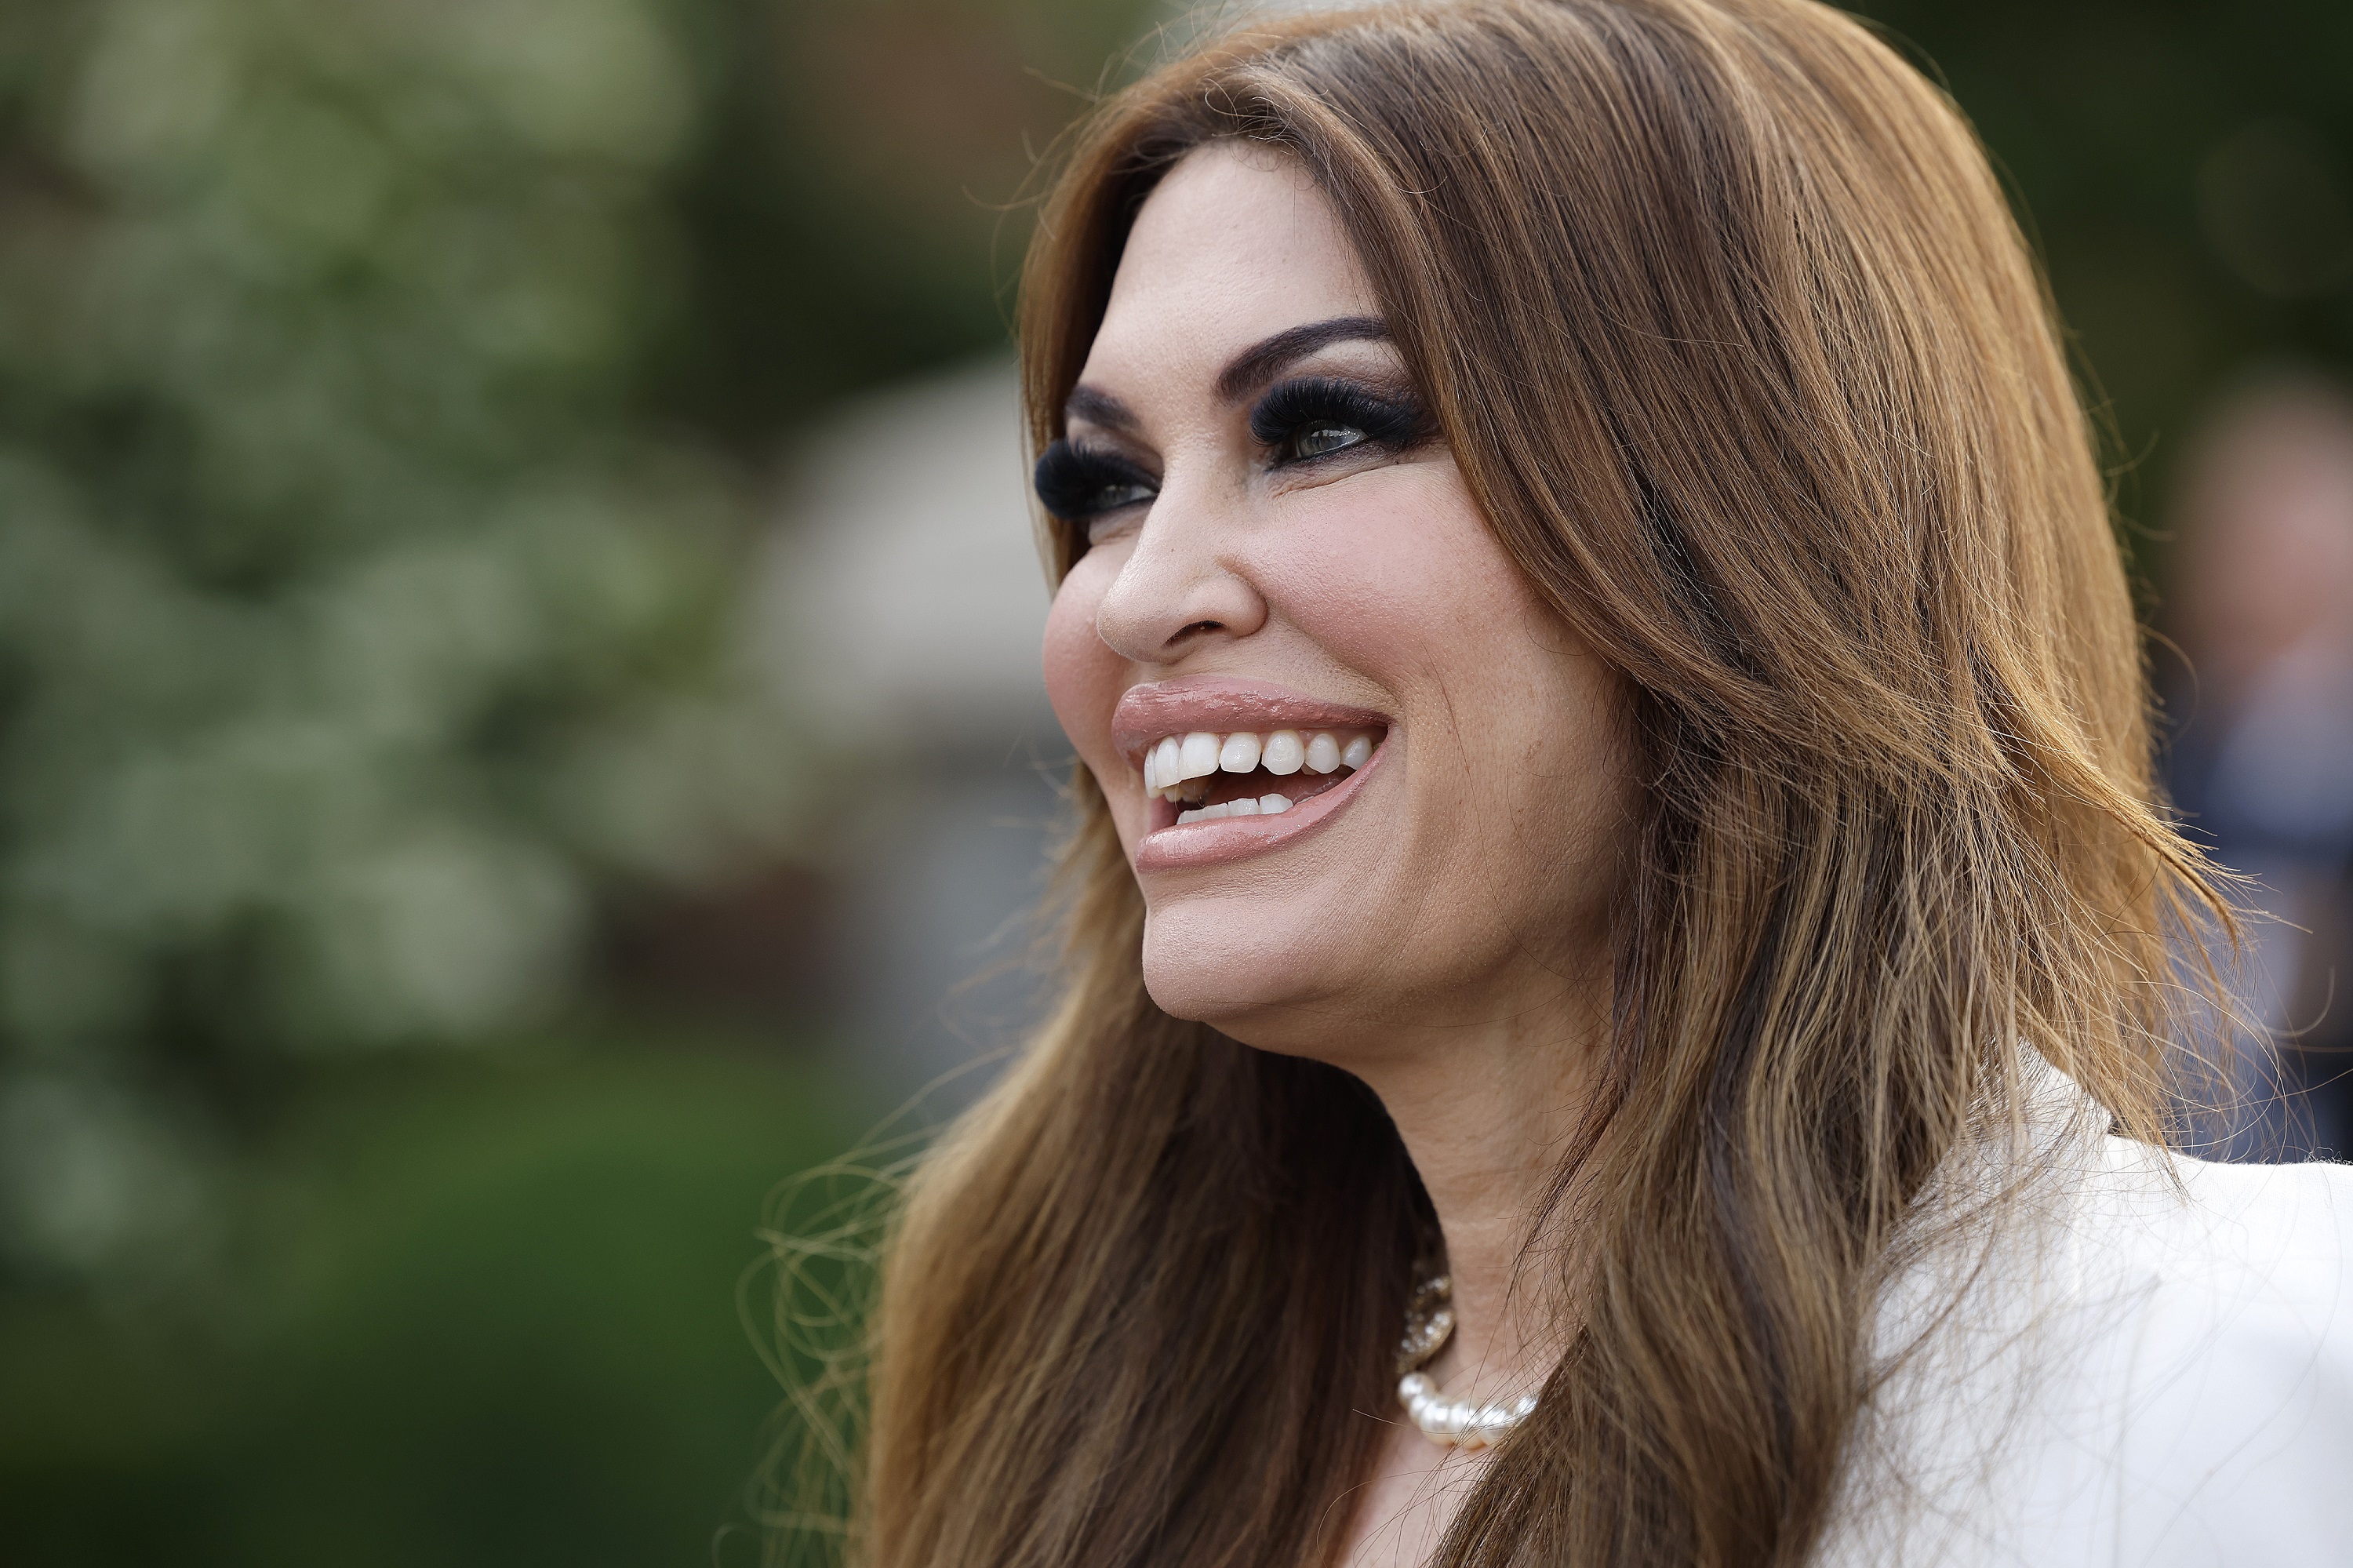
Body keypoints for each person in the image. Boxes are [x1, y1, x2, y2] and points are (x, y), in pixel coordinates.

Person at [852, 3, 2353, 1564]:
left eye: (1324, 426)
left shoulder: (2240, 1382)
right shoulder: (1072, 1415)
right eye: (1108, 485)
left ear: (1748, 520)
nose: (1137, 595)